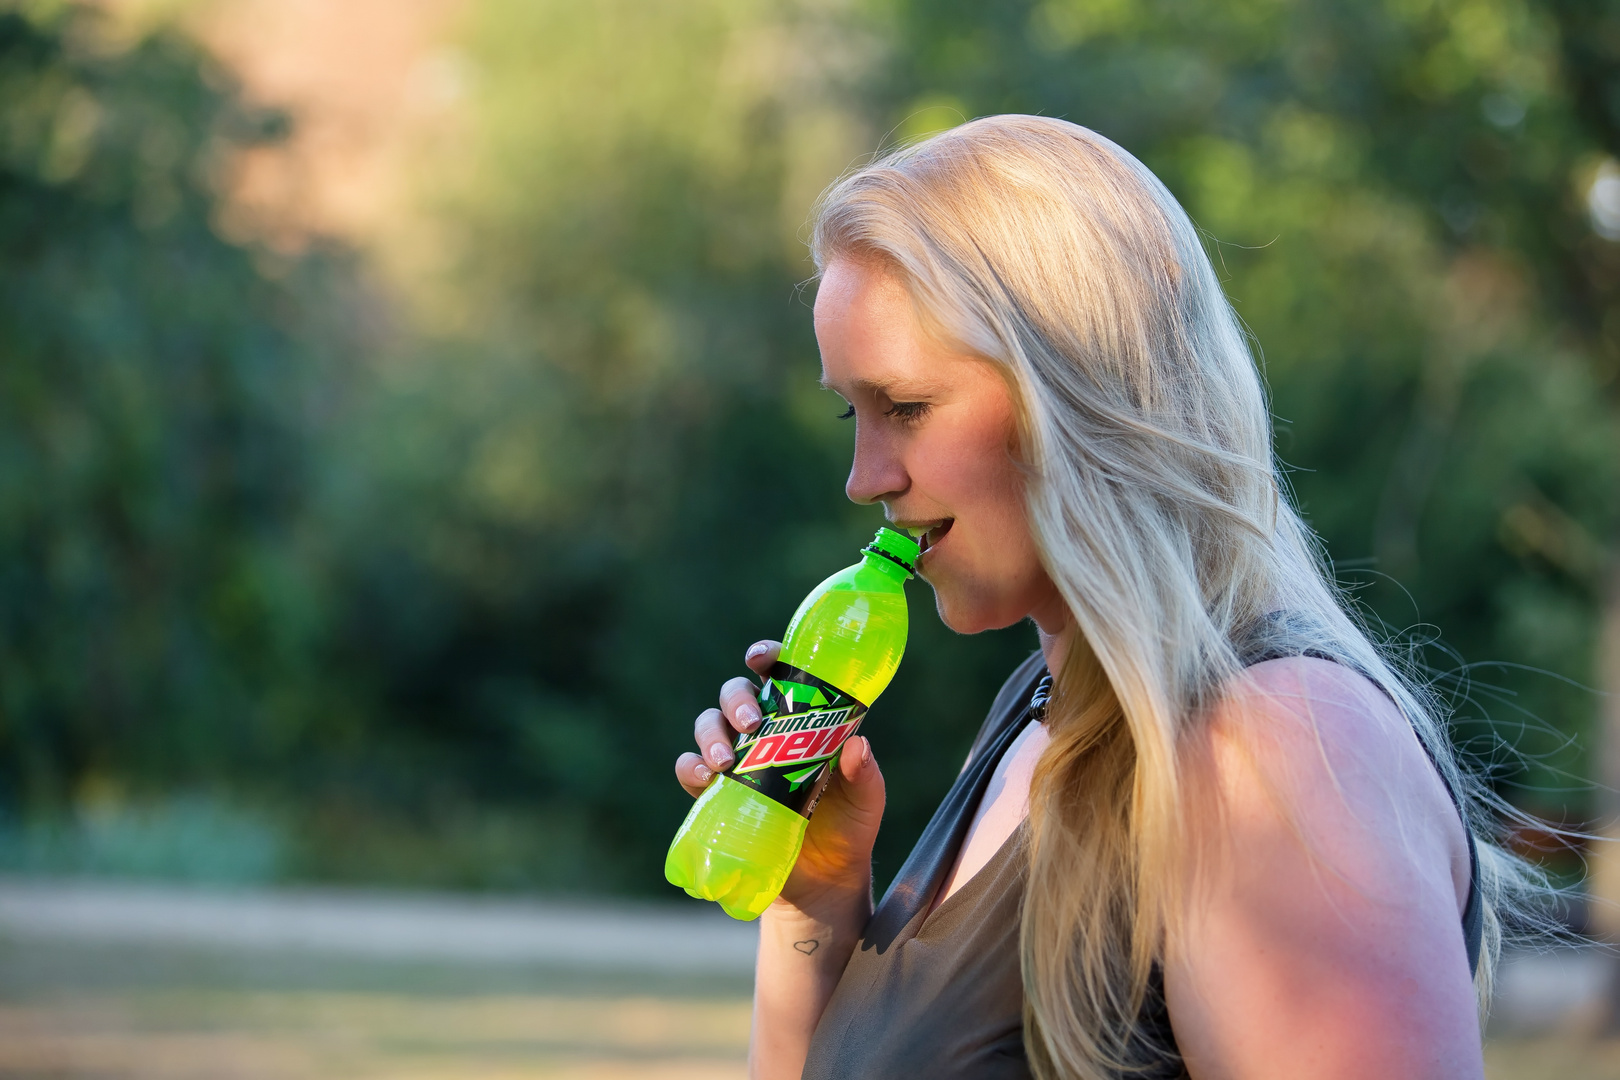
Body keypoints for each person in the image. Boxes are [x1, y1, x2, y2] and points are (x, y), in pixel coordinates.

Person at [673, 115, 1538, 1080]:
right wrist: (818, 900)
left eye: (905, 408)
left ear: (1080, 389)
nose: (863, 477)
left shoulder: (1271, 752)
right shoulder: (1037, 721)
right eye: (852, 412)